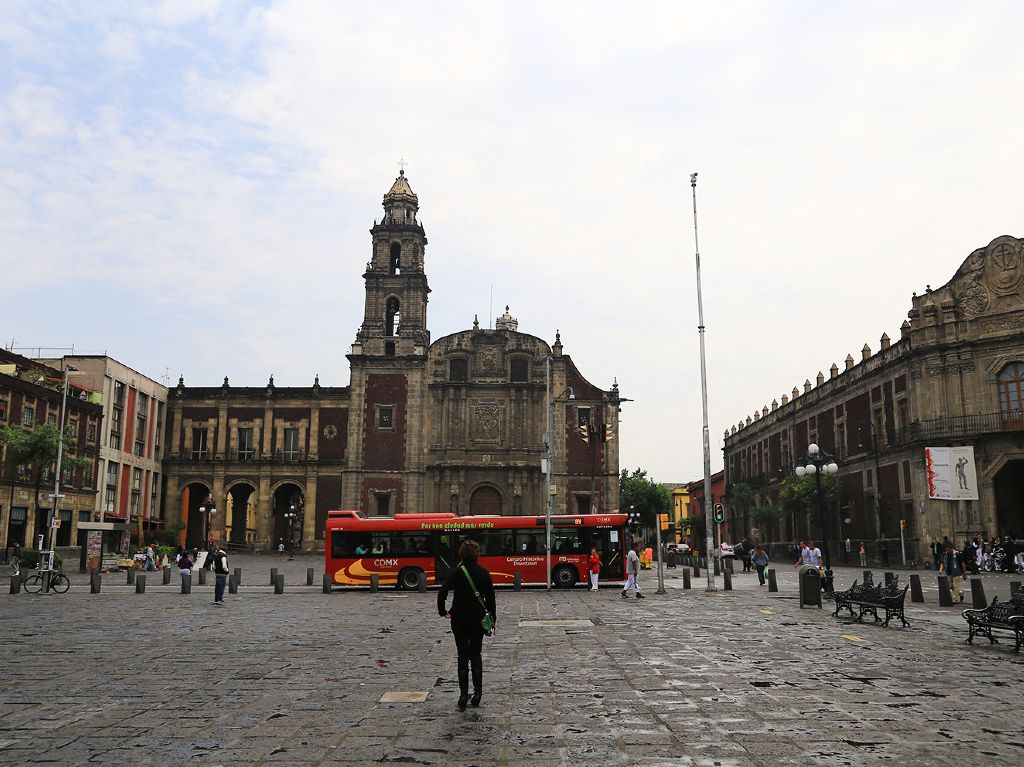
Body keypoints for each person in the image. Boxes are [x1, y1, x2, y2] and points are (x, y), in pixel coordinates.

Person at [437, 539, 496, 711]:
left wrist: (443, 611)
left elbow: (442, 592)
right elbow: (491, 600)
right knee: (476, 654)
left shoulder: (456, 572)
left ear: (461, 554)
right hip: (478, 619)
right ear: (477, 554)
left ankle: (463, 695)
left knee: (462, 655)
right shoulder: (484, 573)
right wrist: (492, 619)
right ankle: (477, 694)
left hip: (459, 619)